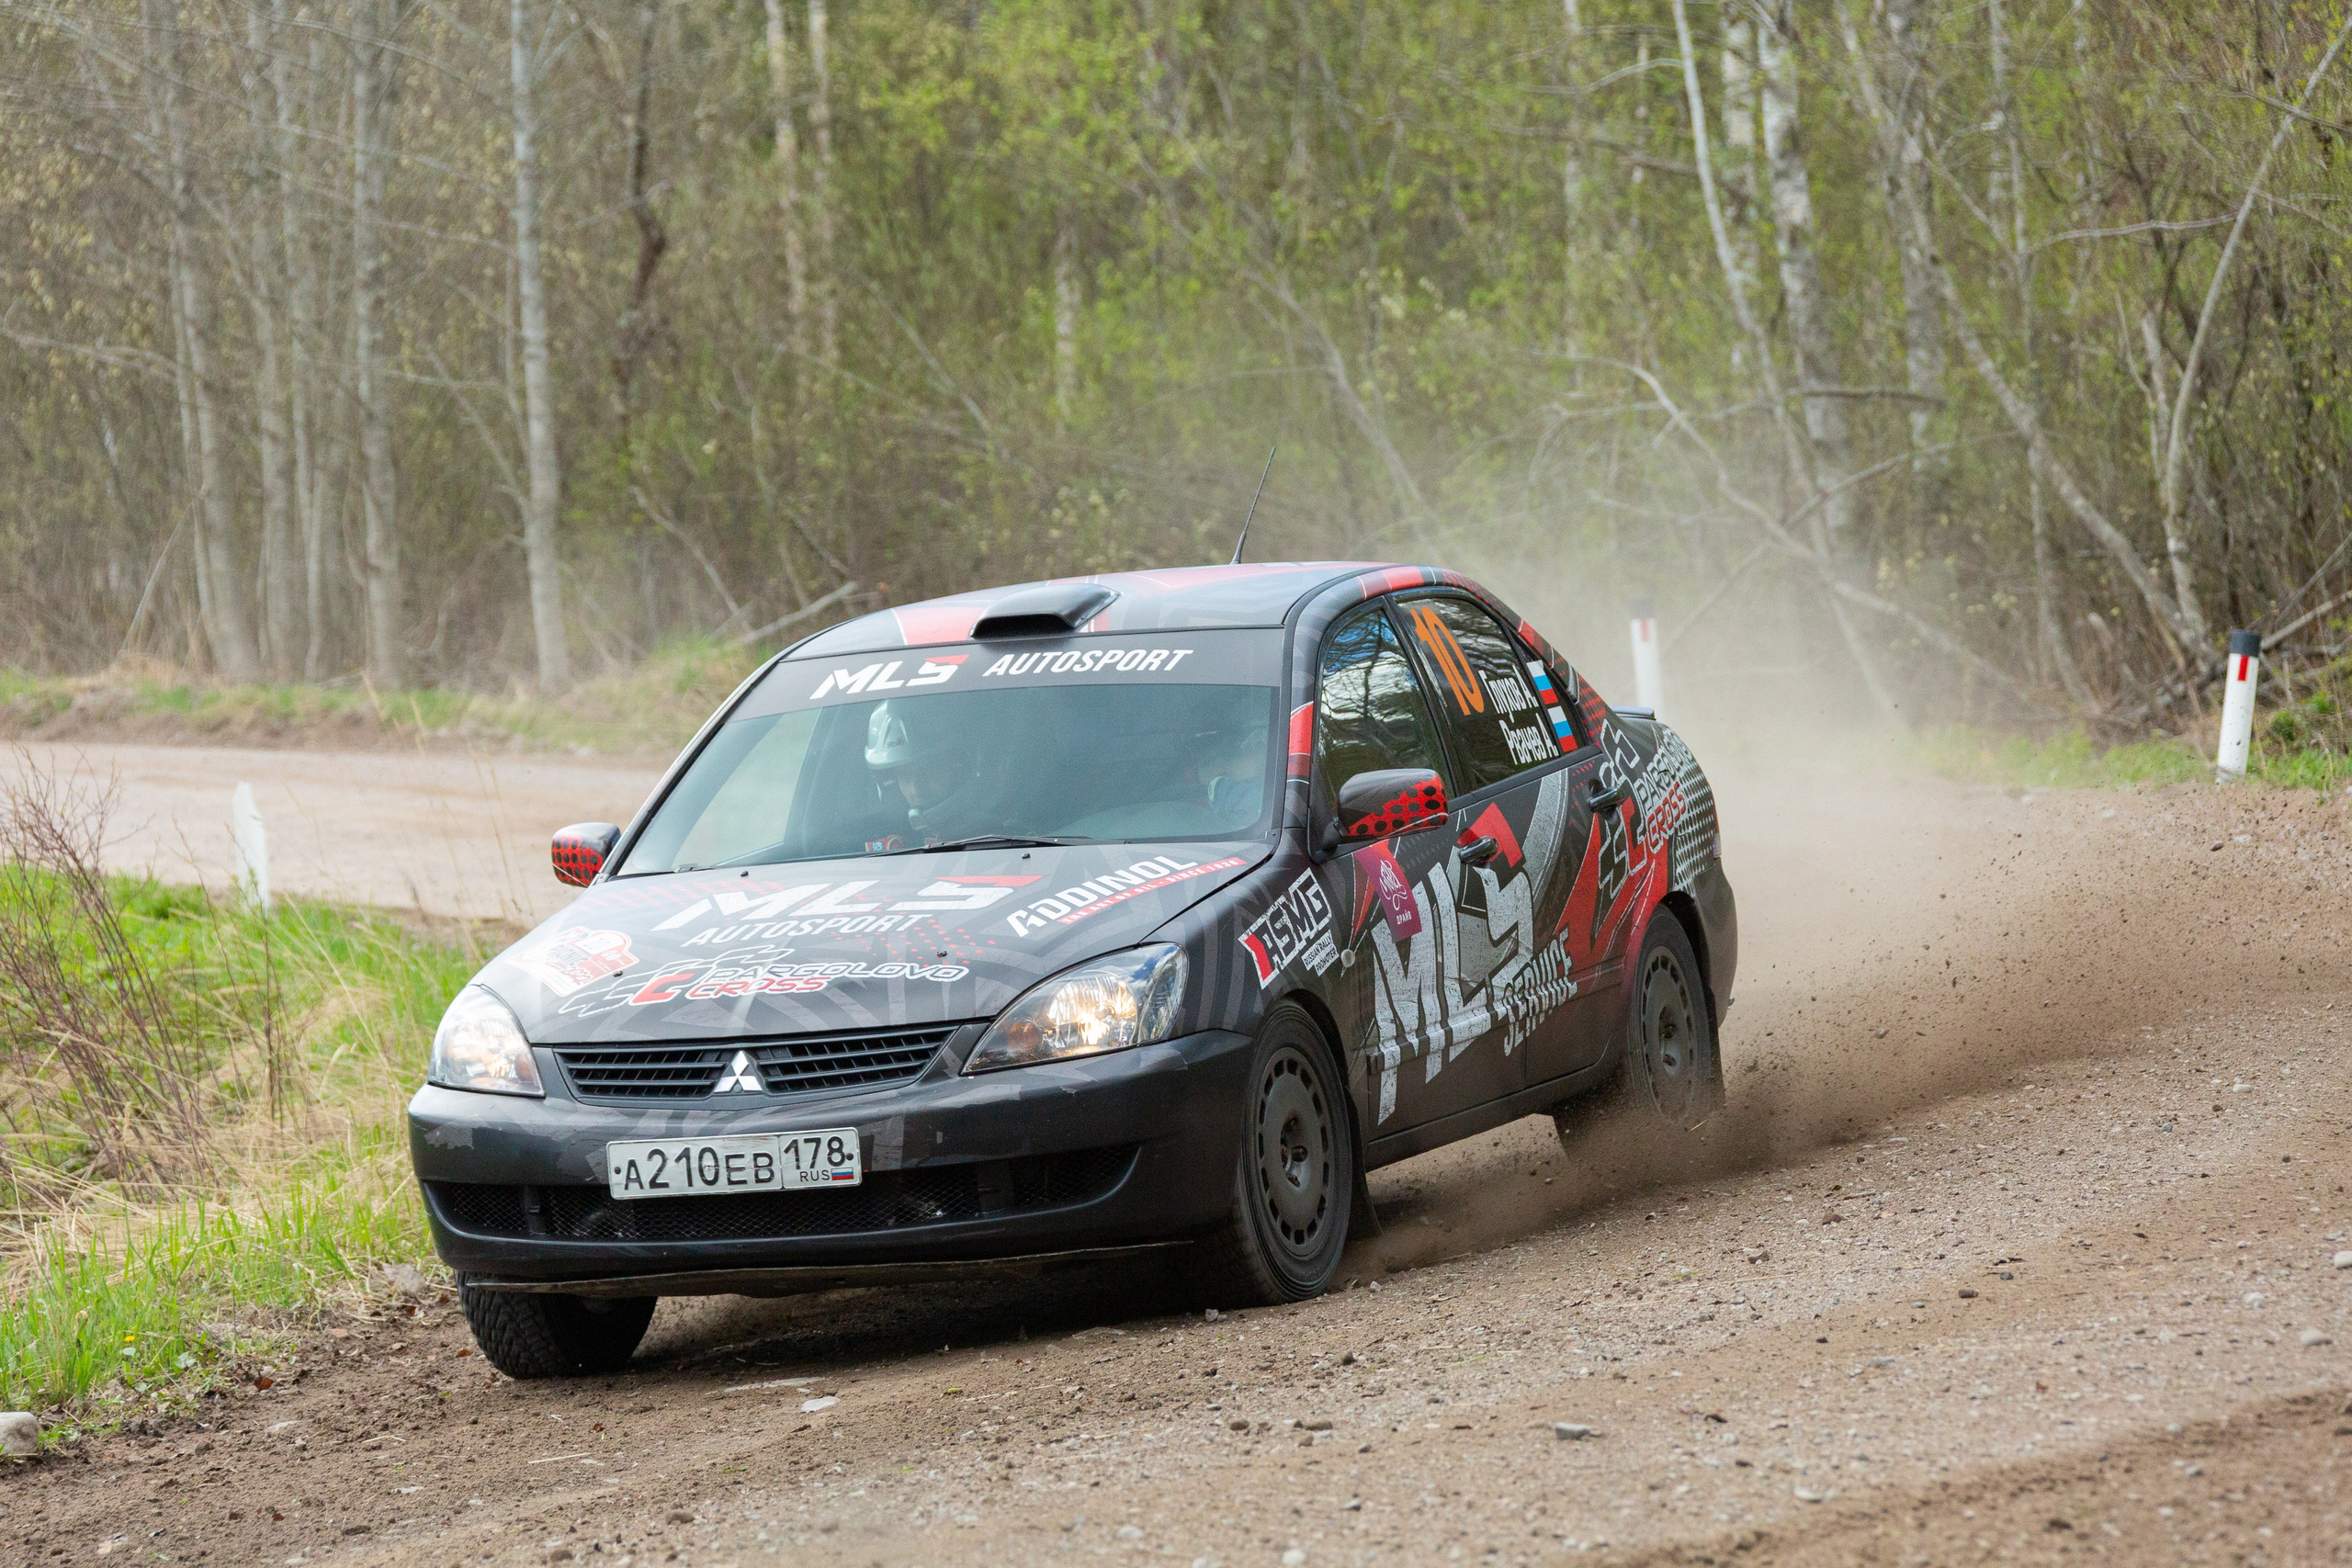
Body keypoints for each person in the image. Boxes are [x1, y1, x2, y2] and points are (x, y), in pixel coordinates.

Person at [865, 700, 1002, 847]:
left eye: (927, 771)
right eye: (904, 776)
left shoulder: (1001, 834)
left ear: (959, 767)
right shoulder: (878, 841)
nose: (916, 789)